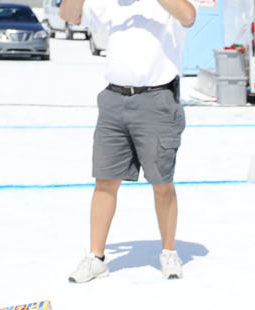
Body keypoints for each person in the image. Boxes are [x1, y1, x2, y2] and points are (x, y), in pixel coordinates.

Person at [61, 0, 197, 283]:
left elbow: (189, 16)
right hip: (114, 100)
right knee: (105, 180)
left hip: (157, 99)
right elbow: (68, 14)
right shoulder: (112, 4)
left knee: (161, 182)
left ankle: (168, 251)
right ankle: (96, 257)